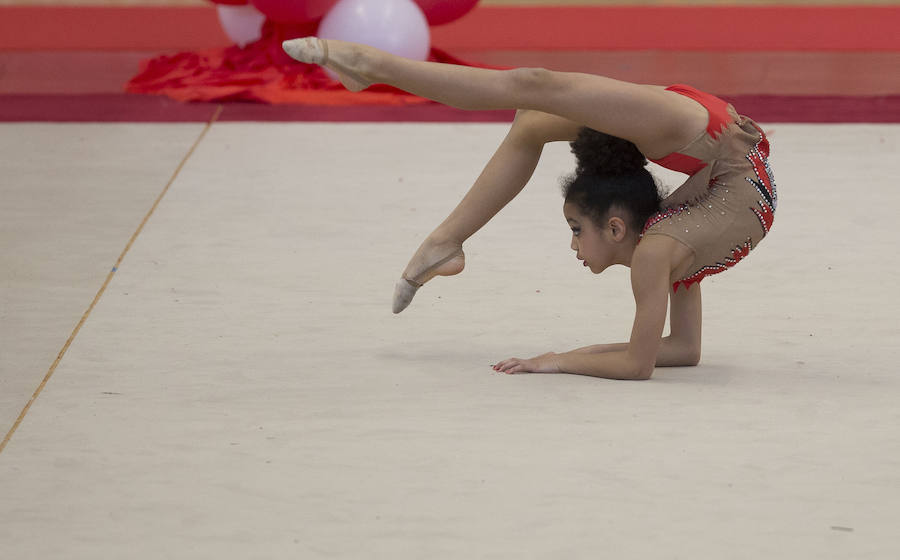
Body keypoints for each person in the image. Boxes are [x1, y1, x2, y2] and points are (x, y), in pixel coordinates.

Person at [282, 38, 777, 380]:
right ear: (618, 223)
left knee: (536, 89)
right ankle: (444, 239)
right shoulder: (666, 246)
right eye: (575, 228)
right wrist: (567, 357)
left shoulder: (661, 249)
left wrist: (560, 360)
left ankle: (372, 67)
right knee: (532, 111)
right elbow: (678, 353)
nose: (572, 244)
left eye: (573, 228)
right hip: (719, 151)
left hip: (722, 152)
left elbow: (643, 362)